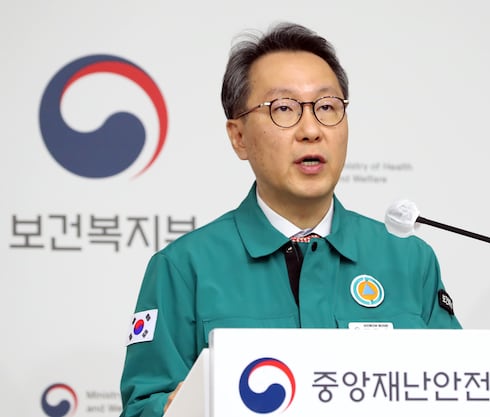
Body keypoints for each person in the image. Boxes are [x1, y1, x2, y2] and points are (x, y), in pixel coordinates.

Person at [119, 21, 462, 417]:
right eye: (283, 108)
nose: (311, 130)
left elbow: (458, 389)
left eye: (327, 107)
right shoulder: (184, 268)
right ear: (238, 137)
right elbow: (143, 406)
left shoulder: (408, 259)